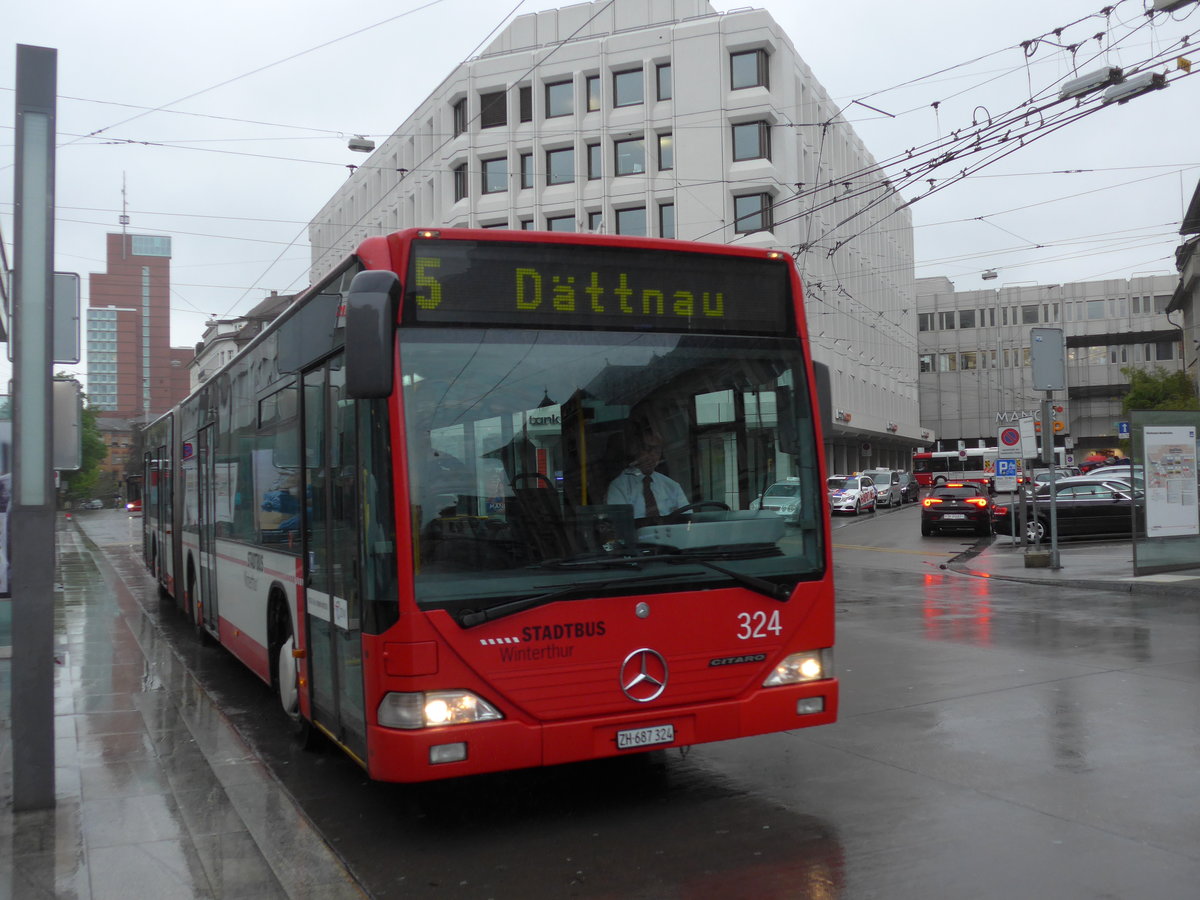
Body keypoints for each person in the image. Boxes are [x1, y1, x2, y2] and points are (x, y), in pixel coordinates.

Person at [605, 420, 689, 522]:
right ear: (635, 449)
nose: (653, 456)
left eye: (657, 450)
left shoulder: (671, 486)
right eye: (648, 449)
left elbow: (687, 520)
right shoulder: (619, 487)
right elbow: (619, 525)